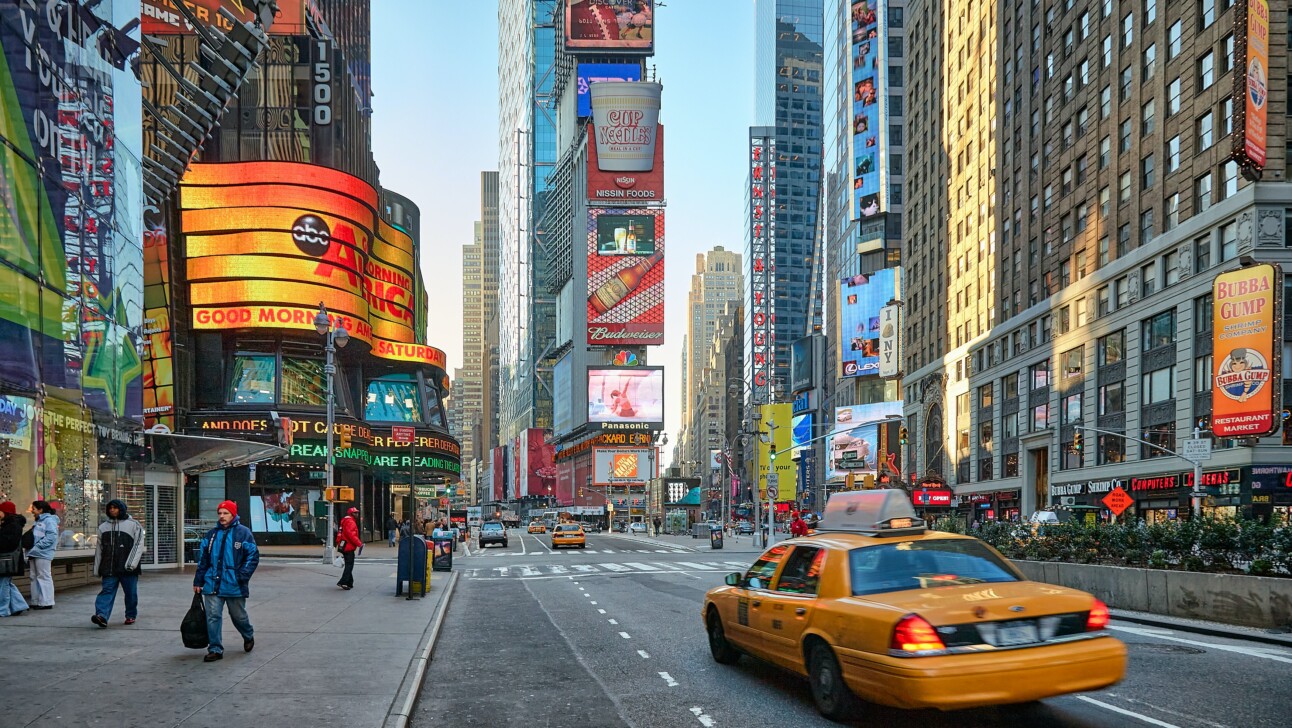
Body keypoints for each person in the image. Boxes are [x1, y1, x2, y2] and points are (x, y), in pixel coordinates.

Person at [193, 500, 259, 662]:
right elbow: (203, 560)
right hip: (212, 582)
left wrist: (241, 576)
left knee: (238, 615)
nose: (222, 516)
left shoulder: (243, 533)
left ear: (233, 514)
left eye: (225, 513)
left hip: (234, 584)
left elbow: (253, 556)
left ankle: (248, 634)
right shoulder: (211, 535)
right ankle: (215, 648)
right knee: (213, 616)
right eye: (220, 513)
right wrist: (198, 581)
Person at [91, 499, 146, 628]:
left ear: (121, 509)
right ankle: (101, 616)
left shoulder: (134, 525)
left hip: (128, 568)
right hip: (109, 567)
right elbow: (99, 549)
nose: (112, 510)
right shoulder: (103, 527)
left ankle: (130, 615)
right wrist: (97, 568)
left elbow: (138, 546)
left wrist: (131, 564)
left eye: (115, 508)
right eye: (110, 508)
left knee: (131, 593)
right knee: (107, 591)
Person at [26, 500, 59, 609]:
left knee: (43, 576)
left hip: (42, 553)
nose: (32, 511)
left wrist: (38, 546)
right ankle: (36, 600)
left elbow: (51, 537)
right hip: (35, 552)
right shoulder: (40, 521)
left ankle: (46, 601)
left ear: (40, 510)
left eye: (34, 509)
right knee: (34, 576)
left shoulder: (49, 521)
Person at [0, 501, 29, 617]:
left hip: (7, 559)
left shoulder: (12, 525)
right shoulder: (10, 524)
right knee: (6, 583)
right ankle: (19, 605)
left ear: (5, 512)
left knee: (3, 585)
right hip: (8, 559)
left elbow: (8, 542)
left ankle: (3, 610)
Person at [335, 507, 361, 590]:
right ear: (351, 514)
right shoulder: (351, 522)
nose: (357, 514)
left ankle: (349, 582)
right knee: (349, 565)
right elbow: (351, 535)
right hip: (348, 546)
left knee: (348, 564)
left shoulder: (345, 520)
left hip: (344, 545)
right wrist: (359, 544)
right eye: (355, 513)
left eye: (357, 512)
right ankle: (343, 582)